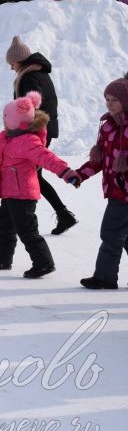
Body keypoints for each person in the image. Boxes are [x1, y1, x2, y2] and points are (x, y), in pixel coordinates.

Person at [0, 91, 78, 279]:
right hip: (8, 193)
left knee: (27, 231)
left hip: (24, 195)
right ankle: (1, 259)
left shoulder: (28, 141)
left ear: (17, 121)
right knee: (5, 227)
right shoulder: (4, 137)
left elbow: (47, 158)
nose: (4, 121)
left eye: (7, 118)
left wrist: (66, 172)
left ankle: (44, 263)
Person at [0, 37, 77, 235]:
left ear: (19, 61)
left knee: (26, 174)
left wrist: (20, 132)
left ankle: (62, 214)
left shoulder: (29, 77)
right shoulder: (38, 72)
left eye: (12, 64)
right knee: (25, 174)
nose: (11, 68)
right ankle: (10, 219)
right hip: (41, 129)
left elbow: (28, 108)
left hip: (33, 132)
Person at [73, 78, 128, 289]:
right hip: (115, 189)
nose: (109, 103)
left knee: (111, 233)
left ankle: (105, 277)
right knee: (123, 236)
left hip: (123, 193)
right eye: (107, 99)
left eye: (115, 99)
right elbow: (100, 160)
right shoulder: (107, 127)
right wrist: (80, 175)